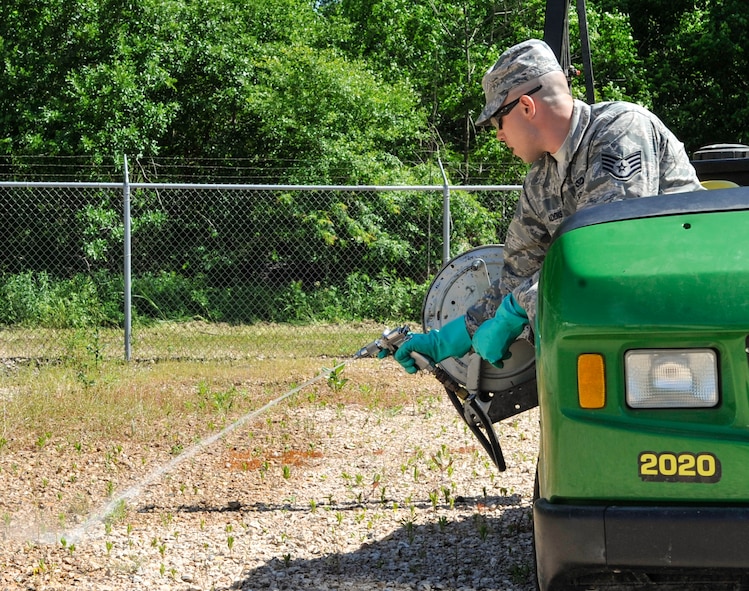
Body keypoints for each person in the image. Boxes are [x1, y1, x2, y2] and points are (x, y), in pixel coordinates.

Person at [391, 38, 704, 374]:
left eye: (498, 121)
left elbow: (609, 252)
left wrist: (514, 311)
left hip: (689, 314)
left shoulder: (620, 129)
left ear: (526, 107)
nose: (498, 135)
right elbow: (517, 276)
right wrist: (446, 339)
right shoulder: (541, 178)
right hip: (625, 323)